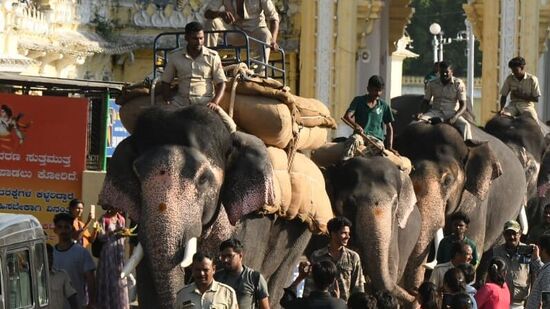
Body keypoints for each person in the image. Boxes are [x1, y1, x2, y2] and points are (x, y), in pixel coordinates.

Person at [160, 21, 227, 108]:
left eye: (201, 38)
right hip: (180, 102)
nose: (199, 42)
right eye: (195, 39)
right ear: (186, 38)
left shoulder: (213, 56)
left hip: (205, 103)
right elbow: (166, 81)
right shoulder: (175, 56)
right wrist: (167, 99)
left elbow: (221, 83)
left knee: (227, 122)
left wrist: (215, 102)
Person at [204, 0, 280, 71]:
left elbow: (274, 18)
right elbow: (207, 13)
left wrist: (273, 40)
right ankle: (208, 64)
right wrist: (220, 14)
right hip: (234, 32)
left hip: (254, 34)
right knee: (212, 22)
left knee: (266, 35)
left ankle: (260, 72)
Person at [304, 217, 365, 301]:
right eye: (344, 233)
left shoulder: (353, 257)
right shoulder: (317, 256)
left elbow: (358, 287)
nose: (348, 237)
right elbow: (310, 285)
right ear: (333, 234)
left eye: (348, 233)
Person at [491, 220, 543, 309]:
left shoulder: (528, 251)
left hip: (520, 303)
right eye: (508, 234)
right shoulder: (496, 251)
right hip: (501, 300)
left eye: (514, 233)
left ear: (520, 234)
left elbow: (534, 276)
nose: (511, 237)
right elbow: (491, 275)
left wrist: (535, 300)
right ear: (504, 235)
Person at [419, 61, 472, 141]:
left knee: (465, 125)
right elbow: (426, 100)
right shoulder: (432, 83)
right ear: (439, 71)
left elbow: (463, 105)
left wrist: (455, 117)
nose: (444, 74)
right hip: (435, 112)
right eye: (442, 72)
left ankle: (469, 147)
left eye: (447, 72)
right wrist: (421, 112)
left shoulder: (458, 84)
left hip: (451, 112)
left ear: (451, 72)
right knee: (417, 123)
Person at [52, 213, 96, 309]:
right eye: (60, 227)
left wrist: (92, 302)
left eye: (66, 227)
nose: (63, 230)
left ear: (72, 229)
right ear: (55, 230)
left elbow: (90, 279)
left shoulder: (81, 252)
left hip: (77, 304)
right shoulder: (50, 254)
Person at [343, 75, 394, 156]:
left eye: (380, 91)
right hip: (360, 135)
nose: (378, 93)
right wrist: (356, 126)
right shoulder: (358, 101)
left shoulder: (384, 106)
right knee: (353, 140)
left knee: (380, 149)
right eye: (375, 90)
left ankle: (361, 156)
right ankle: (345, 163)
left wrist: (390, 147)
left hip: (376, 139)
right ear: (368, 89)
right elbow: (347, 117)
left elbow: (389, 127)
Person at [214, 238, 270, 309]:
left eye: (229, 256)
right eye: (223, 256)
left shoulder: (254, 278)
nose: (225, 260)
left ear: (240, 256)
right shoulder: (217, 277)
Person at [96, 208, 129, 309]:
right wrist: (114, 232)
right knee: (108, 278)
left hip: (118, 252)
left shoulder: (121, 219)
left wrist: (123, 234)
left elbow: (123, 236)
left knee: (119, 280)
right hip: (108, 253)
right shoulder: (103, 218)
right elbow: (100, 237)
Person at [280, 260, 347, 309]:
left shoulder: (302, 304)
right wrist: (337, 301)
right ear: (332, 281)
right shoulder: (341, 304)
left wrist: (299, 278)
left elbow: (286, 302)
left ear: (313, 278)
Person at [499, 56, 541, 121]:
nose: (514, 73)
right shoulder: (509, 79)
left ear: (522, 68)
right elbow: (504, 95)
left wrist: (521, 96)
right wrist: (501, 109)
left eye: (516, 70)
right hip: (512, 106)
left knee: (534, 121)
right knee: (502, 118)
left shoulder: (532, 79)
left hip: (526, 106)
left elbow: (536, 99)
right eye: (512, 70)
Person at [46, 244, 79, 309]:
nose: (49, 260)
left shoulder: (61, 275)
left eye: (51, 257)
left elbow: (72, 297)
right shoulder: (32, 279)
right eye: (46, 257)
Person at [526, 233, 550, 309]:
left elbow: (548, 302)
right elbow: (542, 271)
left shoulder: (548, 272)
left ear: (543, 250)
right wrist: (536, 259)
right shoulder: (547, 268)